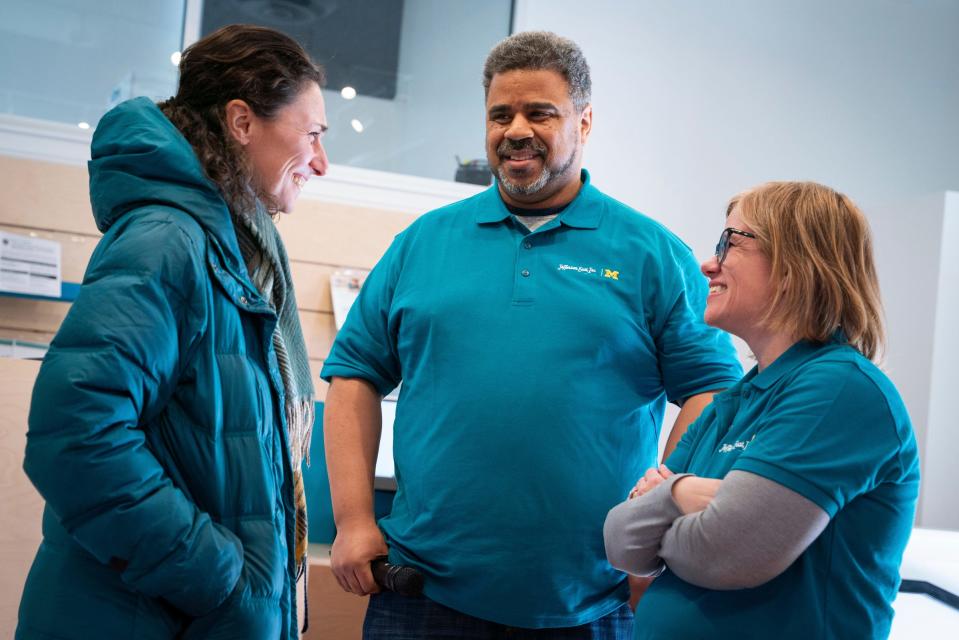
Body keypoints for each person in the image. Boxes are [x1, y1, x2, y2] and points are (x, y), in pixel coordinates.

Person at [321, 31, 742, 637]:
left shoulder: (653, 254)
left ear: (584, 120)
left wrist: (654, 524)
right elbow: (354, 377)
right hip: (423, 593)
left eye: (540, 112)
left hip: (593, 600)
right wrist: (355, 518)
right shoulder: (423, 243)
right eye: (500, 115)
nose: (515, 129)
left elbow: (712, 390)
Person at [17, 24, 328, 640]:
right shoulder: (168, 240)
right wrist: (223, 578)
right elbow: (74, 435)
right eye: (313, 133)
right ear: (242, 122)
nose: (321, 161)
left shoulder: (231, 252)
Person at [603, 181, 920, 639]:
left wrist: (674, 492)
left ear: (797, 264)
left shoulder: (841, 390)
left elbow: (726, 552)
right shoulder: (735, 400)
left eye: (729, 243)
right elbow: (622, 541)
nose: (708, 264)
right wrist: (699, 500)